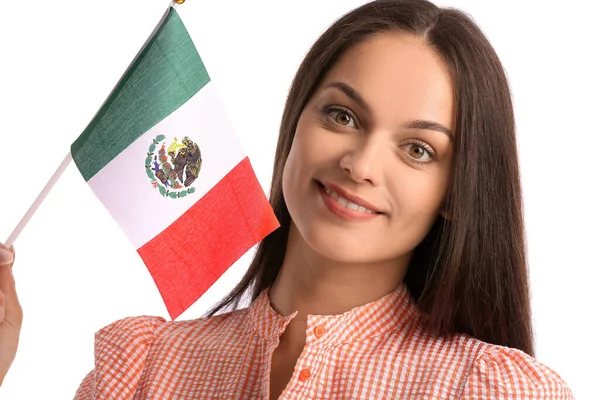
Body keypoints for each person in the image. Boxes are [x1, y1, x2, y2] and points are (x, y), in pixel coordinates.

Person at [0, 0, 575, 398]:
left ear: (457, 191)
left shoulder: (486, 389)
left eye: (418, 150)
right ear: (296, 123)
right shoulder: (144, 369)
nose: (360, 164)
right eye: (342, 115)